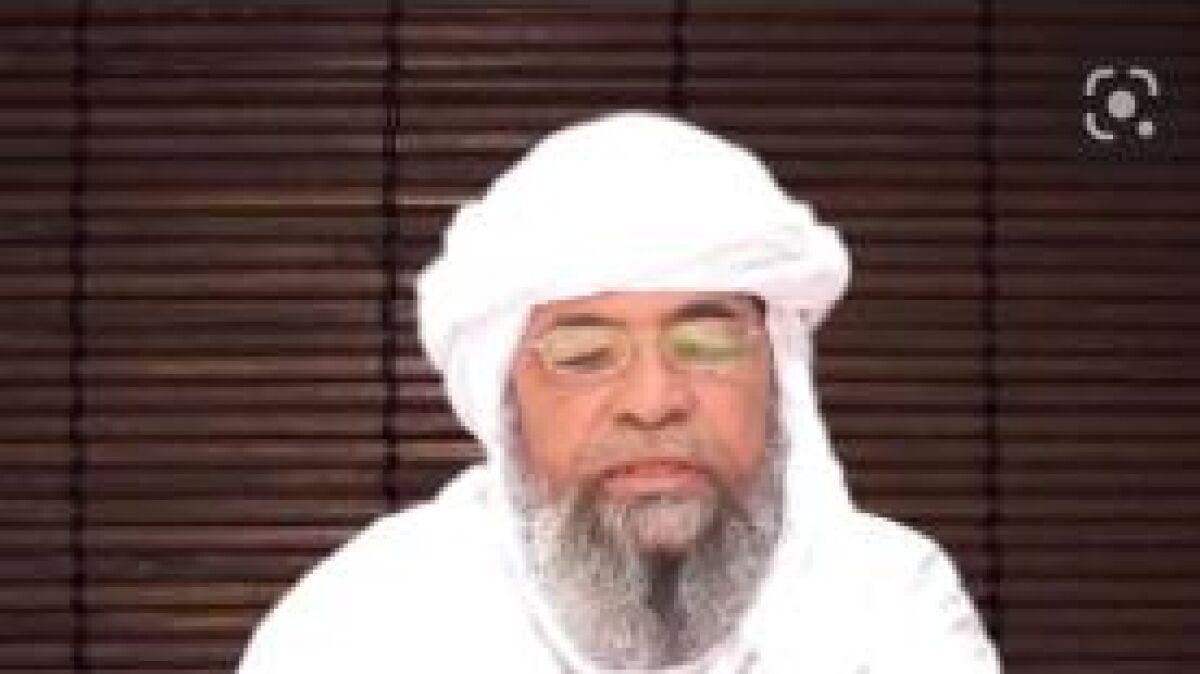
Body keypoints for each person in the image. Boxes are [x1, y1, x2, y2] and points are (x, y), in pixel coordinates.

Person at [236, 111, 1002, 673]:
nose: (653, 399)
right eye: (584, 354)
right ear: (506, 395)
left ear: (777, 373)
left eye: (706, 344)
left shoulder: (886, 607)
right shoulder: (360, 627)